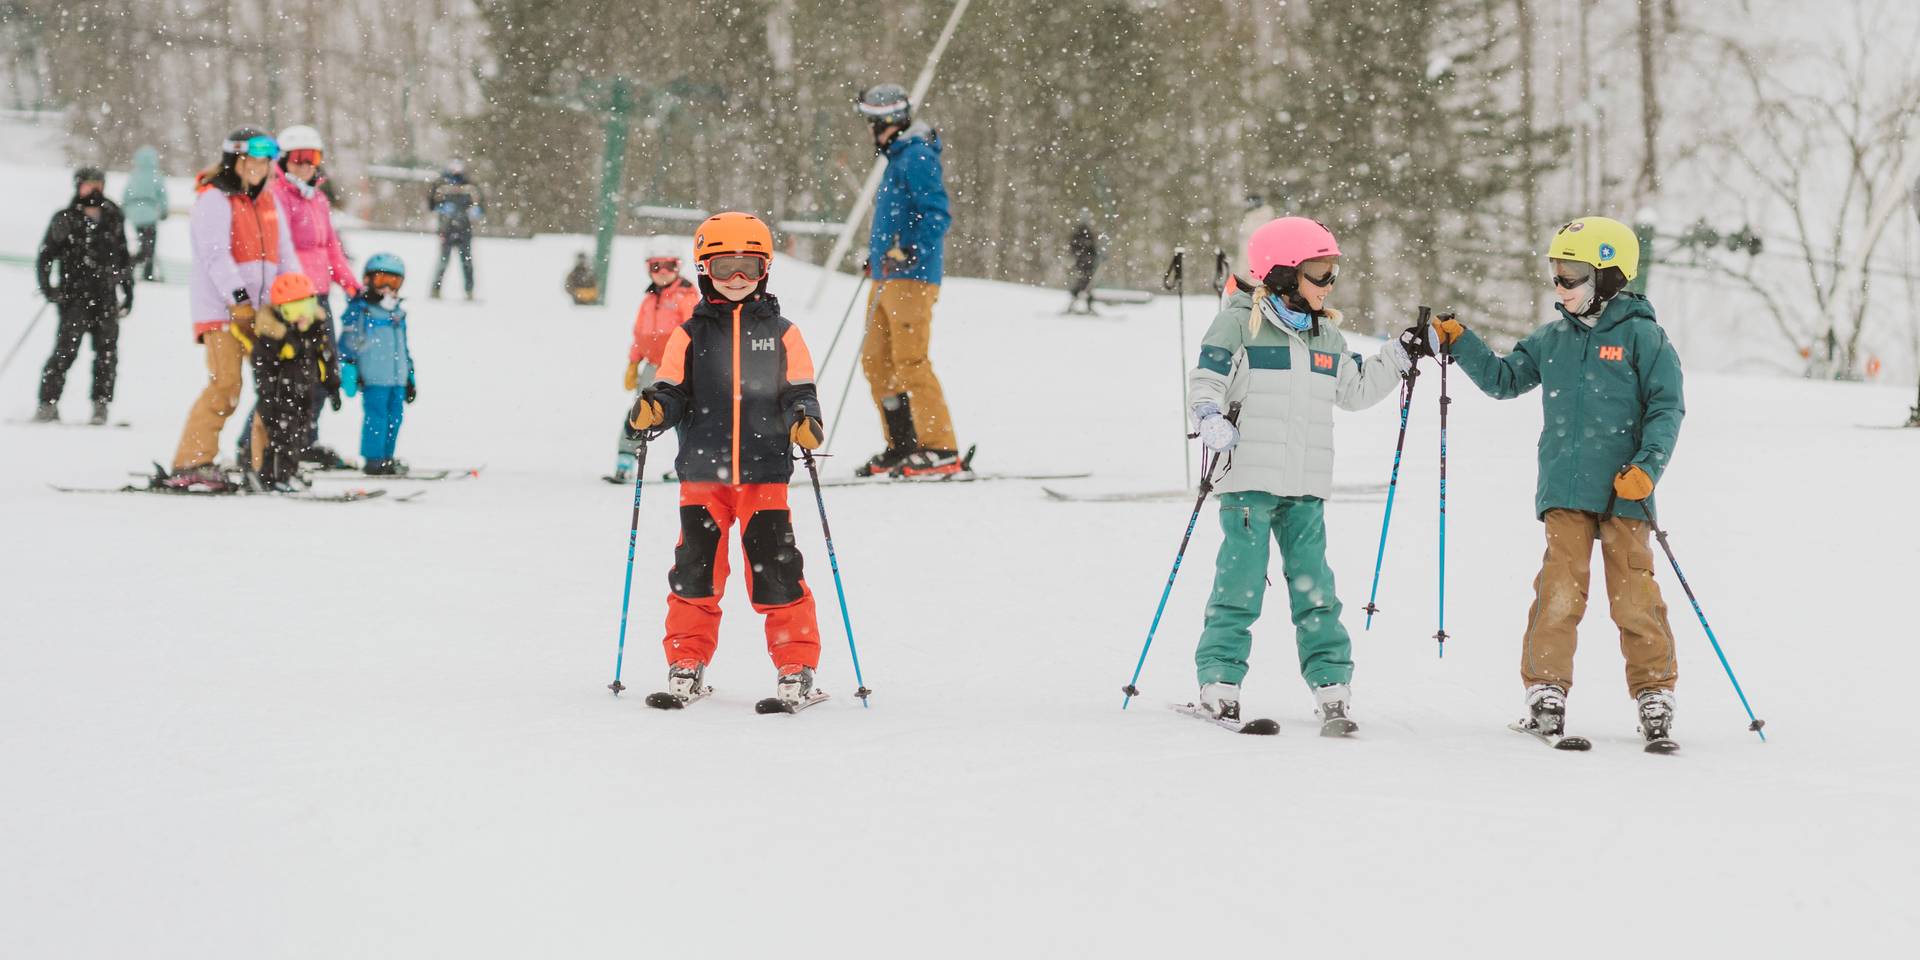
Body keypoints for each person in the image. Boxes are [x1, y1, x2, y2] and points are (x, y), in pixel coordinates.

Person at [1428, 216, 1685, 748]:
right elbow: (1505, 380)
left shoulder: (1644, 337)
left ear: (1610, 277)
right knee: (1560, 592)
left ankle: (1654, 692)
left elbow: (1667, 408)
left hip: (1625, 491)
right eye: (1555, 274)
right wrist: (1463, 343)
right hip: (1566, 491)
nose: (1560, 287)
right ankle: (1546, 689)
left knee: (1634, 596)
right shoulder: (1552, 339)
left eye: (1572, 275)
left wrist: (1647, 466)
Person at [1185, 216, 1421, 734]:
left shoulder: (1326, 335)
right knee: (1240, 587)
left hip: (1305, 489)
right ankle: (1220, 683)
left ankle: (1331, 686)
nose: (1329, 284)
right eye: (1319, 273)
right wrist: (1208, 417)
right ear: (1284, 273)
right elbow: (1206, 379)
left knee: (1316, 591)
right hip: (1248, 482)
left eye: (1332, 272)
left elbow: (1355, 391)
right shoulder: (1238, 323)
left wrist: (1399, 353)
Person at [624, 212, 825, 709]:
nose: (737, 280)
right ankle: (686, 660)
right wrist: (654, 409)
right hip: (702, 478)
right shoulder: (689, 335)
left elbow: (800, 389)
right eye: (724, 268)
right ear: (703, 270)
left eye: (749, 268)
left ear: (766, 270)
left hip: (764, 477)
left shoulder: (782, 333)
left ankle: (795, 665)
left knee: (776, 573)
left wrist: (804, 417)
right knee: (695, 571)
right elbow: (672, 390)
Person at [164, 128, 300, 492]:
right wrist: (238, 298)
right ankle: (192, 460)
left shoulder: (268, 202)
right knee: (226, 385)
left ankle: (266, 464)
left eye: (267, 161)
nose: (263, 167)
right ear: (236, 160)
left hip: (265, 313)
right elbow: (215, 256)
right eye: (256, 160)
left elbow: (286, 256)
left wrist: (298, 299)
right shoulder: (215, 199)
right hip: (223, 312)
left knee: (273, 391)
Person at [854, 83, 961, 478]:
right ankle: (903, 444)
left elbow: (937, 213)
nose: (869, 130)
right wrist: (878, 256)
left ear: (887, 123)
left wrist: (910, 249)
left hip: (912, 278)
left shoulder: (916, 156)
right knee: (876, 362)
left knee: (910, 361)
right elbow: (896, 217)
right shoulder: (897, 158)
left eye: (871, 122)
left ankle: (940, 447)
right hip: (885, 277)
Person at [259, 123, 359, 469]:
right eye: (298, 158)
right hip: (292, 299)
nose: (305, 165)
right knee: (287, 376)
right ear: (284, 161)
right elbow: (278, 248)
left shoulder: (318, 199)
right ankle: (260, 443)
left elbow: (331, 248)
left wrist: (350, 284)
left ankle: (304, 439)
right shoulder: (277, 197)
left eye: (312, 158)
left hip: (319, 297)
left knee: (322, 373)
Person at [34, 166, 132, 425]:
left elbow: (123, 256)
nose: (94, 189)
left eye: (98, 184)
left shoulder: (113, 215)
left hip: (106, 297)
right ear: (78, 186)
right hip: (74, 297)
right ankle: (48, 404)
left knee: (107, 354)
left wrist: (128, 290)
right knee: (65, 352)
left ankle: (101, 405)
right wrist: (48, 288)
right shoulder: (65, 218)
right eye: (88, 185)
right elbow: (46, 256)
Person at [611, 241, 699, 482]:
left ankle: (693, 462)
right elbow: (641, 333)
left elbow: (694, 332)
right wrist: (633, 362)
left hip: (678, 368)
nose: (663, 272)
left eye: (669, 266)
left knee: (683, 415)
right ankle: (626, 459)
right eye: (656, 266)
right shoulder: (649, 299)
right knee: (641, 411)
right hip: (652, 367)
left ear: (678, 267)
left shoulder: (686, 297)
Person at [247, 273, 341, 491]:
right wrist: (267, 396)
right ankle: (275, 475)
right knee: (281, 437)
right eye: (294, 311)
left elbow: (326, 358)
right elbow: (262, 368)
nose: (302, 317)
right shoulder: (272, 336)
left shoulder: (314, 330)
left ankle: (289, 470)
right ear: (281, 311)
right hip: (280, 396)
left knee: (299, 435)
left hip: (304, 393)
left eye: (306, 308)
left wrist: (332, 385)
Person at [337, 252, 416, 476]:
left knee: (395, 418)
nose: (388, 288)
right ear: (369, 280)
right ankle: (373, 458)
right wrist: (349, 369)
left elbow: (404, 347)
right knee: (376, 417)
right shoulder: (361, 310)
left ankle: (386, 457)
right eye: (382, 281)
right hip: (374, 377)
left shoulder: (398, 313)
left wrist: (409, 375)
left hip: (397, 378)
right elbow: (346, 344)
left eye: (394, 282)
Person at [427, 160, 483, 300]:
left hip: (465, 231)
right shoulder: (440, 185)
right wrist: (441, 208)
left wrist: (476, 210)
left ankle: (469, 292)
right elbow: (431, 204)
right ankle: (435, 290)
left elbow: (481, 204)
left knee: (467, 262)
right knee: (443, 261)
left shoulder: (470, 186)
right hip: (446, 230)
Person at [122, 146, 169, 283]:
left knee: (143, 243)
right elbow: (162, 195)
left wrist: (125, 210)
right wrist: (164, 210)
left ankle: (131, 267)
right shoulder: (156, 175)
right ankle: (145, 272)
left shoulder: (134, 175)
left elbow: (126, 195)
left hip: (135, 215)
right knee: (149, 245)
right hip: (150, 214)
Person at [1065, 211, 1099, 315]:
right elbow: (1074, 247)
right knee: (1083, 284)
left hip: (1087, 263)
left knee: (1086, 284)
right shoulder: (1079, 233)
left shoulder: (1087, 233)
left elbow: (1092, 248)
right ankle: (1076, 305)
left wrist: (1095, 256)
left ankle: (1084, 306)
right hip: (1082, 263)